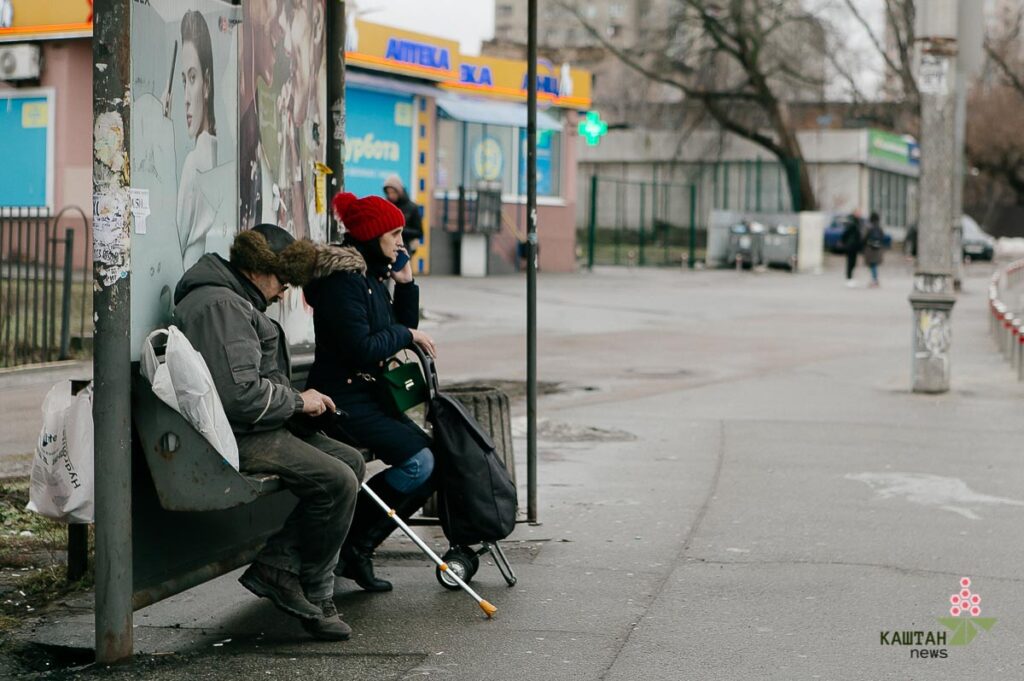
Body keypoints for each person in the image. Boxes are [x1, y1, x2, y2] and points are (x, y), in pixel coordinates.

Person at [173, 224, 365, 641]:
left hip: (255, 424)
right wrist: (298, 402)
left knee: (351, 459)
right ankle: (313, 585)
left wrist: (301, 406)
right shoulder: (220, 306)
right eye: (282, 281)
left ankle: (279, 566)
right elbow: (240, 396)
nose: (284, 293)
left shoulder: (233, 301)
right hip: (238, 434)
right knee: (337, 480)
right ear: (259, 268)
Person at [304, 192, 438, 593]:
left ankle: (356, 548)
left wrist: (407, 284)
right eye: (394, 233)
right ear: (370, 234)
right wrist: (407, 333)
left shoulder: (370, 277)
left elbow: (396, 333)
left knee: (431, 460)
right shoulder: (342, 282)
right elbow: (363, 348)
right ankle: (351, 545)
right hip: (339, 398)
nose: (401, 242)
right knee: (420, 463)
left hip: (367, 396)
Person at [170, 10, 218, 270]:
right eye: (183, 81)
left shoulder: (194, 162)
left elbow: (174, 242)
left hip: (188, 283)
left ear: (207, 83)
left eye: (193, 77)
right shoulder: (217, 153)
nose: (186, 96)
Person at [383, 175, 424, 255]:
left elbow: (419, 232)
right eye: (388, 192)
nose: (391, 195)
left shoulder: (412, 208)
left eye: (393, 192)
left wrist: (399, 230)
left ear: (399, 191)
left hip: (404, 248)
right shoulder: (385, 206)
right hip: (386, 248)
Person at [863, 212, 886, 288]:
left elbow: (865, 237)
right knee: (874, 264)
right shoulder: (879, 227)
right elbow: (883, 237)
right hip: (878, 248)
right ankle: (875, 279)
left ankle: (874, 280)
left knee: (872, 265)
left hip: (870, 248)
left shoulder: (869, 227)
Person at [840, 211, 863, 287]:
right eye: (858, 213)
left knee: (853, 263)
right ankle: (849, 278)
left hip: (855, 246)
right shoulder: (852, 223)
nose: (860, 214)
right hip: (850, 246)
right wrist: (845, 242)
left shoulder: (858, 222)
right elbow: (845, 234)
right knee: (850, 263)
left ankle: (851, 278)